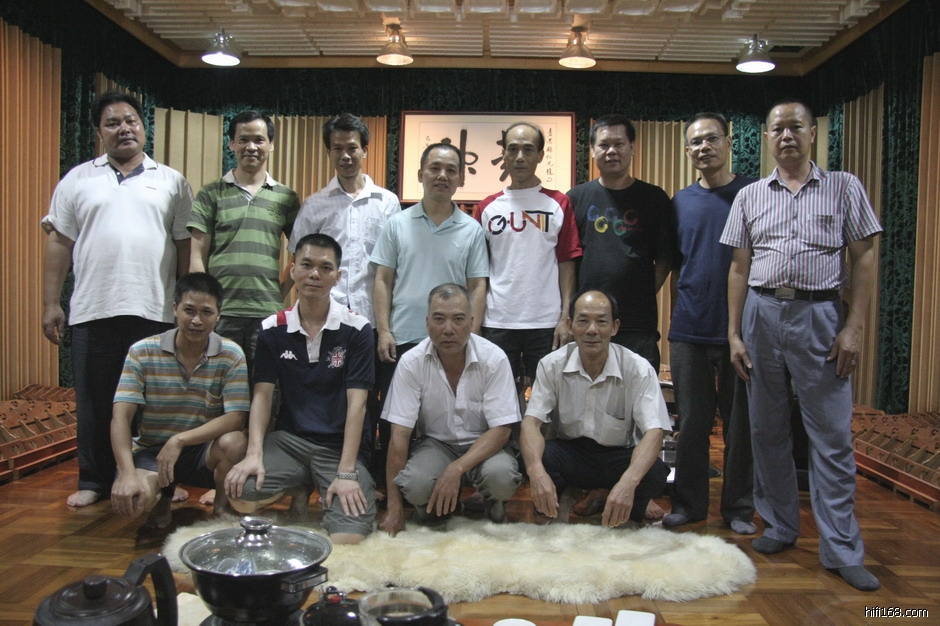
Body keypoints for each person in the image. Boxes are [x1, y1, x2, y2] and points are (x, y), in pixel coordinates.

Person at [720, 99, 882, 591]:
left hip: (820, 315)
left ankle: (842, 549)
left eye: (795, 127)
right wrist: (734, 333)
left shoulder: (844, 186)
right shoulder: (750, 195)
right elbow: (740, 268)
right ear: (767, 137)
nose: (787, 136)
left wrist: (854, 328)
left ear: (812, 133)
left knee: (831, 436)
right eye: (778, 129)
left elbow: (865, 256)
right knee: (766, 430)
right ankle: (780, 526)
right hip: (762, 313)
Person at [41, 91, 192, 508]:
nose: (123, 129)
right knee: (95, 401)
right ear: (99, 132)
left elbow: (184, 245)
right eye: (112, 123)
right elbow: (59, 243)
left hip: (156, 309)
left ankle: (161, 480)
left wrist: (183, 305)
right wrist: (51, 303)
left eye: (130, 121)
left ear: (143, 127)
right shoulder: (77, 180)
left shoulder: (172, 181)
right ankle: (94, 479)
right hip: (93, 309)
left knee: (157, 403)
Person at [225, 233, 376, 544]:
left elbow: (358, 404)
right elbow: (262, 396)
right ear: (292, 269)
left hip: (338, 448)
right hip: (290, 442)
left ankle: (324, 482)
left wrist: (347, 472)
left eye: (325, 268)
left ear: (337, 277)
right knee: (242, 495)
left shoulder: (357, 329)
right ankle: (299, 486)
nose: (314, 274)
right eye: (306, 265)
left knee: (349, 537)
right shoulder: (272, 329)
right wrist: (253, 454)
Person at [370, 142, 489, 482]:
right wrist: (384, 330)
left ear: (460, 178)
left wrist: (471, 336)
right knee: (396, 419)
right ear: (420, 173)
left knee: (446, 419)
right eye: (435, 168)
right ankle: (394, 487)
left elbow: (477, 286)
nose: (442, 175)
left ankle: (442, 486)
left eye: (451, 170)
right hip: (403, 337)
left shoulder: (471, 229)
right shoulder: (397, 224)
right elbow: (383, 279)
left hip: (452, 341)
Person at [663, 113, 757, 535]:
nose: (704, 147)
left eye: (712, 139)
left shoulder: (752, 194)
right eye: (696, 142)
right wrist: (674, 319)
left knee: (740, 426)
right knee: (691, 425)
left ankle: (738, 509)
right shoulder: (680, 202)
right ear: (687, 151)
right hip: (689, 329)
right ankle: (688, 504)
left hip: (742, 331)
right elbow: (674, 266)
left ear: (728, 142)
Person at [520, 290, 672, 527]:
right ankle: (562, 498)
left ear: (615, 327)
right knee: (536, 458)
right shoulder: (551, 365)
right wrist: (536, 471)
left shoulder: (637, 368)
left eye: (601, 321)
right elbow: (531, 422)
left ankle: (627, 512)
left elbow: (655, 431)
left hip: (618, 454)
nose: (592, 330)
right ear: (570, 326)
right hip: (572, 451)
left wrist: (628, 482)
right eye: (583, 321)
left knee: (654, 473)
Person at [380, 284, 521, 536]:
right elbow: (399, 437)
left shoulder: (494, 358)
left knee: (501, 477)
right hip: (436, 445)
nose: (448, 329)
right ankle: (434, 509)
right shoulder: (411, 362)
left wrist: (456, 468)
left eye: (458, 319)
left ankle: (494, 505)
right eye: (439, 319)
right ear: (427, 323)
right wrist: (394, 508)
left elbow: (502, 430)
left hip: (484, 444)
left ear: (471, 322)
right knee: (415, 484)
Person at [110, 273, 249, 528]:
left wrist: (179, 440)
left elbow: (236, 417)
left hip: (202, 451)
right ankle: (162, 499)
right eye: (189, 310)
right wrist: (127, 474)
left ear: (218, 315)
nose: (197, 320)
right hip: (152, 450)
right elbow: (121, 417)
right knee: (135, 501)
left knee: (235, 441)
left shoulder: (231, 354)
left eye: (206, 312)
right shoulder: (142, 351)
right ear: (175, 309)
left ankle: (222, 508)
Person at [188, 110, 300, 371]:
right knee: (218, 384)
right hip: (221, 312)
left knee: (266, 385)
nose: (251, 147)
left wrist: (280, 292)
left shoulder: (286, 197)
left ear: (271, 145)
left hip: (267, 313)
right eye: (243, 140)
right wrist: (205, 306)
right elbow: (196, 256)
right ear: (232, 144)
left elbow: (300, 253)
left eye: (259, 140)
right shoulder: (210, 193)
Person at [473, 122, 582, 390]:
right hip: (497, 321)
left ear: (540, 155)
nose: (520, 157)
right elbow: (477, 272)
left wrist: (565, 316)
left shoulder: (559, 203)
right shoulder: (487, 207)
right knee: (496, 397)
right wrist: (475, 323)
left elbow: (567, 262)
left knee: (551, 397)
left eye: (528, 149)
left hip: (546, 322)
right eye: (512, 149)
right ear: (504, 155)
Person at [566, 114, 675, 375]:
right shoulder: (576, 198)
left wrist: (644, 289)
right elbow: (567, 259)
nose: (611, 151)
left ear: (632, 147)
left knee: (638, 391)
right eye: (604, 145)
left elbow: (665, 257)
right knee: (586, 390)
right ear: (592, 151)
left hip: (637, 321)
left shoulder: (654, 198)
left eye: (619, 144)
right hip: (588, 322)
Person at [289, 113, 401, 327]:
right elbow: (299, 258)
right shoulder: (314, 204)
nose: (345, 156)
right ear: (329, 152)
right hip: (324, 314)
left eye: (352, 148)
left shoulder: (387, 202)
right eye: (338, 149)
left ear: (365, 150)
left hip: (372, 315)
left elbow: (394, 263)